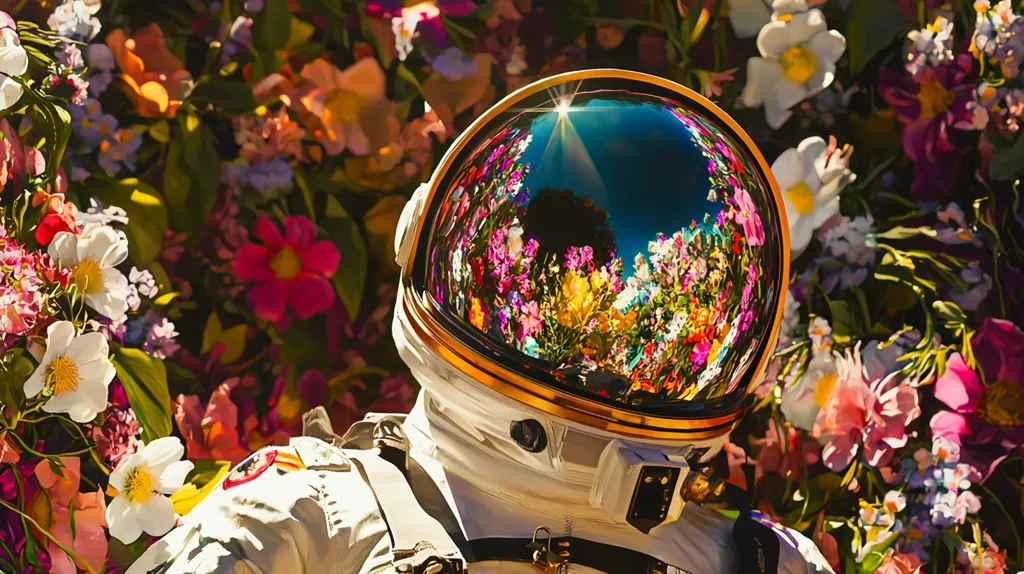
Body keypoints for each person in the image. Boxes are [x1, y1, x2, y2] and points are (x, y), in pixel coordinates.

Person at [128, 69, 835, 574]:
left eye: (633, 322)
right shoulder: (313, 511)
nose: (584, 361)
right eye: (549, 293)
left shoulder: (760, 559)